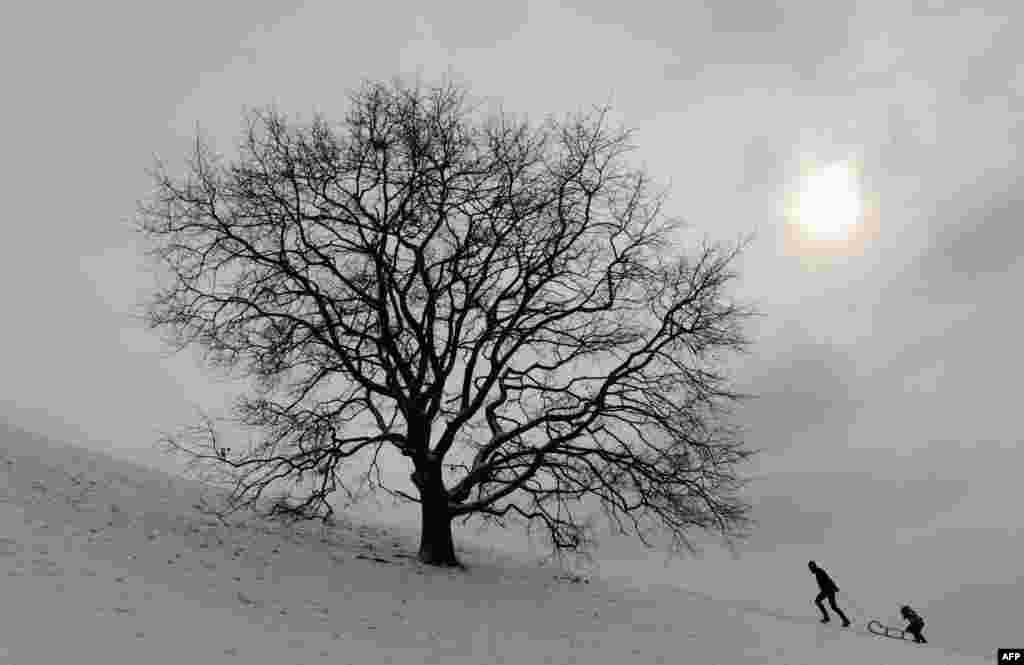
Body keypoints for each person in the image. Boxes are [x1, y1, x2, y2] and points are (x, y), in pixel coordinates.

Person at [808, 560, 851, 627]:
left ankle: (828, 618)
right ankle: (845, 620)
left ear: (814, 567)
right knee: (833, 606)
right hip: (829, 590)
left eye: (811, 567)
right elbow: (828, 579)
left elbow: (827, 581)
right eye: (810, 568)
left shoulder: (819, 572)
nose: (810, 569)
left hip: (828, 590)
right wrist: (834, 587)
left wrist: (831, 589)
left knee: (818, 601)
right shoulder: (819, 571)